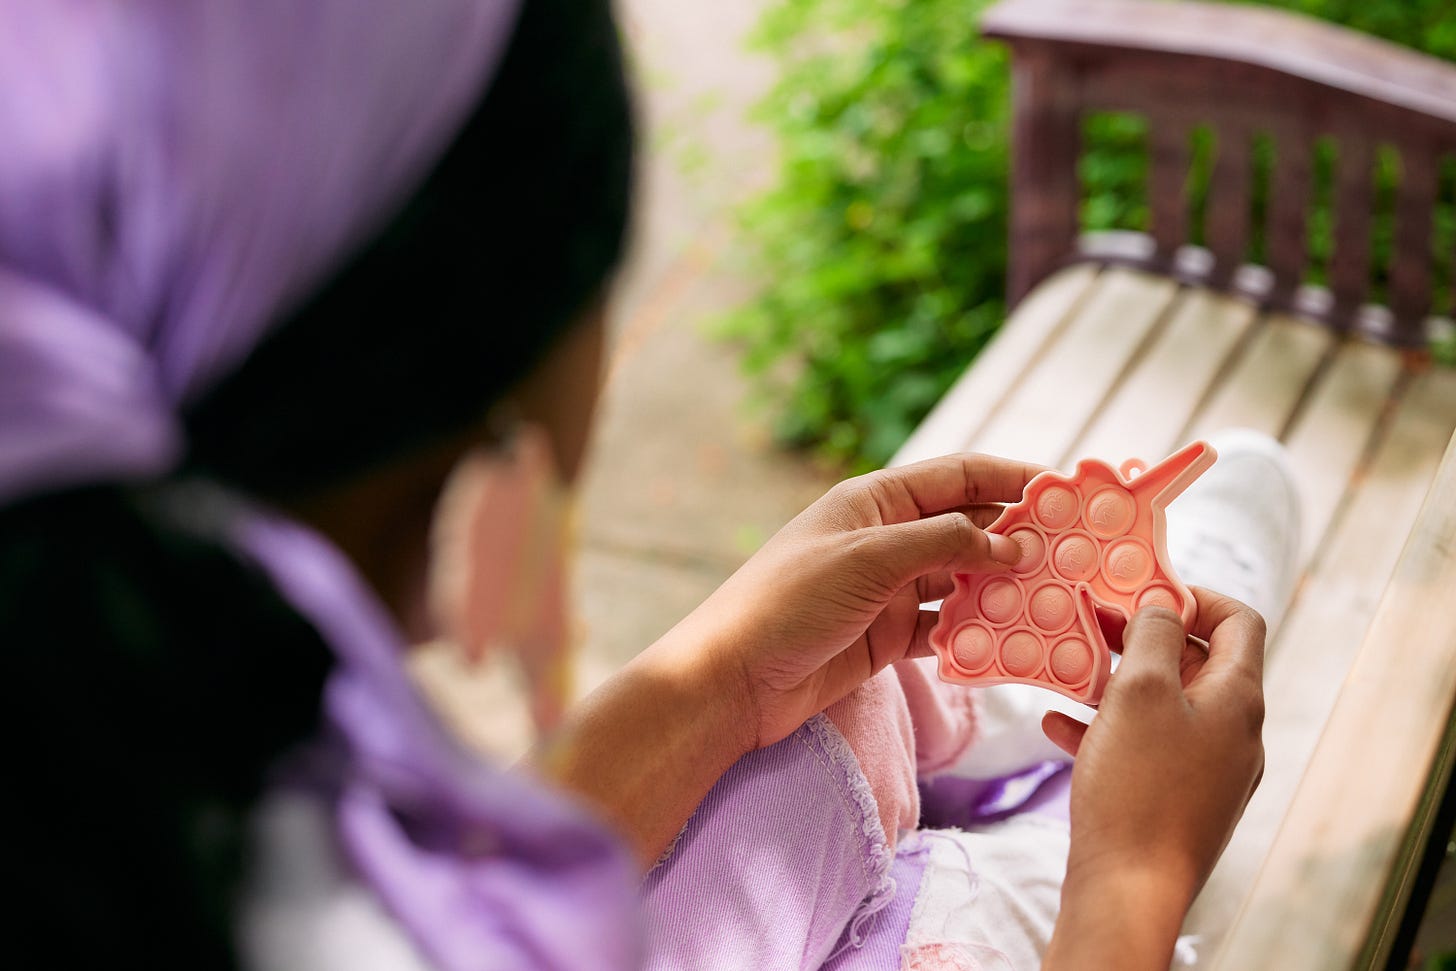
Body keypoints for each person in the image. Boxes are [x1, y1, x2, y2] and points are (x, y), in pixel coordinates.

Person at [0, 1, 1282, 968]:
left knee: (855, 715)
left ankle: (963, 743)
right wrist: (1131, 881)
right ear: (484, 408)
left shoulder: (137, 776)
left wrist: (724, 674)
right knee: (1242, 499)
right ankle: (997, 813)